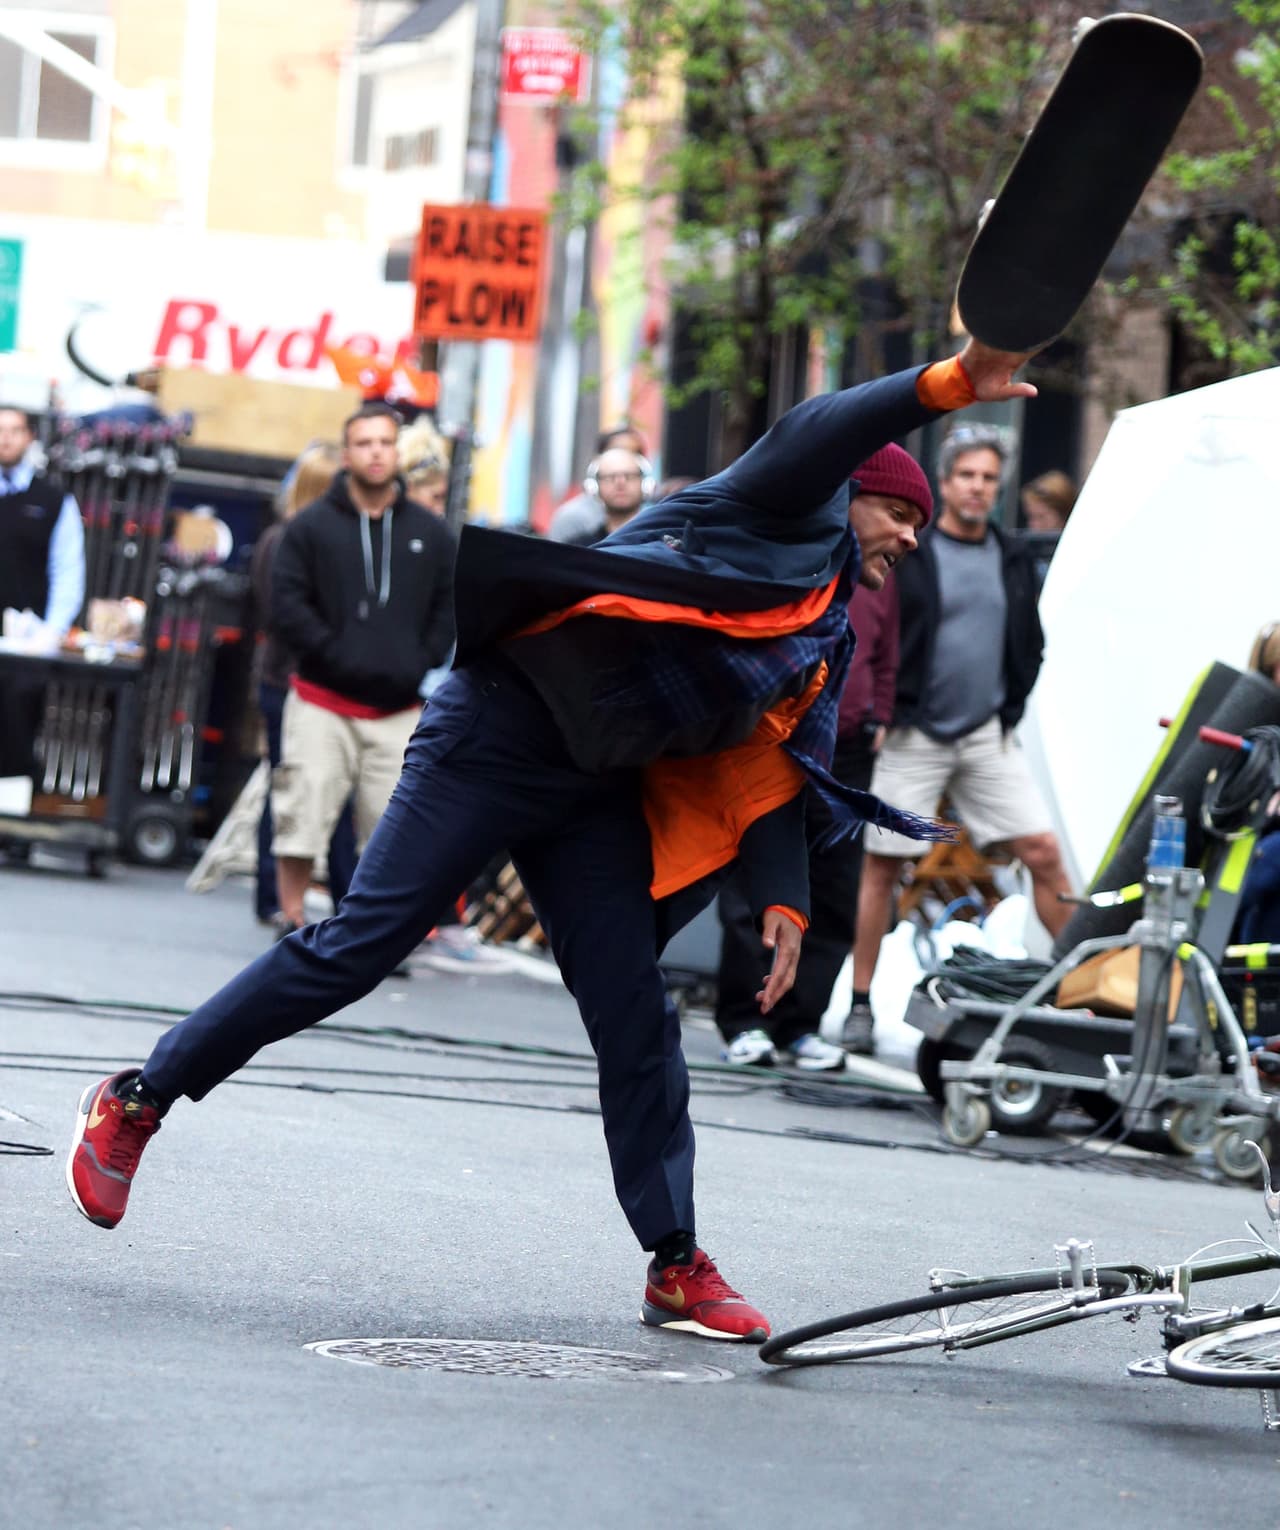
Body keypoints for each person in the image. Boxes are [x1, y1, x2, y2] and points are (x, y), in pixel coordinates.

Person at [66, 339, 1037, 1345]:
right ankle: (138, 1099)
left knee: (633, 1012)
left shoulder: (820, 620)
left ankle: (673, 1263)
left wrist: (783, 897)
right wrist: (948, 383)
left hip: (596, 784)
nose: (912, 539)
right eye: (902, 515)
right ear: (849, 495)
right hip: (497, 734)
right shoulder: (779, 505)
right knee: (359, 945)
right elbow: (822, 426)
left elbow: (774, 759)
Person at [846, 422, 1073, 1056]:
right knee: (883, 864)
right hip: (914, 732)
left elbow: (1031, 643)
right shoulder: (913, 552)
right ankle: (860, 1004)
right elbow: (880, 632)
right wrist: (886, 707)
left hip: (984, 735)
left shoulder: (1012, 555)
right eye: (967, 475)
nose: (977, 488)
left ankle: (1079, 998)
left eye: (988, 479)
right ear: (944, 483)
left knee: (1045, 851)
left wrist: (1011, 704)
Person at [716, 445, 916, 1071]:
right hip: (777, 739)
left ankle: (802, 1023)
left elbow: (885, 651)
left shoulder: (880, 574)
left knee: (833, 887)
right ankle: (746, 1019)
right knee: (758, 881)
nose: (909, 537)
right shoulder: (795, 556)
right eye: (897, 514)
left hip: (849, 748)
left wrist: (880, 712)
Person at [267, 402, 456, 933]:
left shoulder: (431, 531)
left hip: (398, 705)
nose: (376, 453)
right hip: (322, 698)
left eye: (385, 443)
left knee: (392, 828)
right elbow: (286, 604)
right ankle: (293, 915)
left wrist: (422, 659)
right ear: (346, 454)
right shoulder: (310, 527)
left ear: (397, 453)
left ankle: (374, 931)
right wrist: (332, 651)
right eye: (364, 443)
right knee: (302, 812)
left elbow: (450, 603)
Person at [247, 443, 357, 932]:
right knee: (289, 788)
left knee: (339, 796)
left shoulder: (345, 540)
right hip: (289, 681)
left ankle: (343, 901)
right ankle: (274, 898)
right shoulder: (283, 540)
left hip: (333, 683)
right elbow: (279, 613)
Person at [0, 405, 85, 781]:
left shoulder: (53, 501)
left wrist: (51, 632)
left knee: (14, 736)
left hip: (25, 644)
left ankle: (13, 827)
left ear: (30, 437)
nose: (4, 439)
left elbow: (67, 570)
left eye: (14, 430)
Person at [547, 424, 651, 544]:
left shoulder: (662, 530)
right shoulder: (572, 521)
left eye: (629, 475)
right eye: (610, 477)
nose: (620, 482)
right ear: (594, 484)